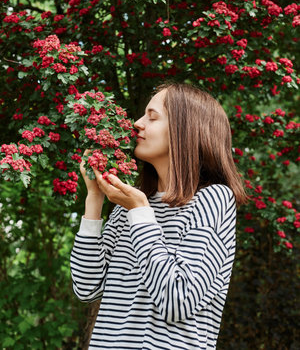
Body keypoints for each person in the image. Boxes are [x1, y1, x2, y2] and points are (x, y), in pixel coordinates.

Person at [70, 82, 247, 349]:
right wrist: (94, 198)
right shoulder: (130, 205)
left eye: (152, 117)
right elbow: (87, 288)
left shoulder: (213, 200)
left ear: (185, 131)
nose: (137, 124)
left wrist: (140, 214)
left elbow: (177, 302)